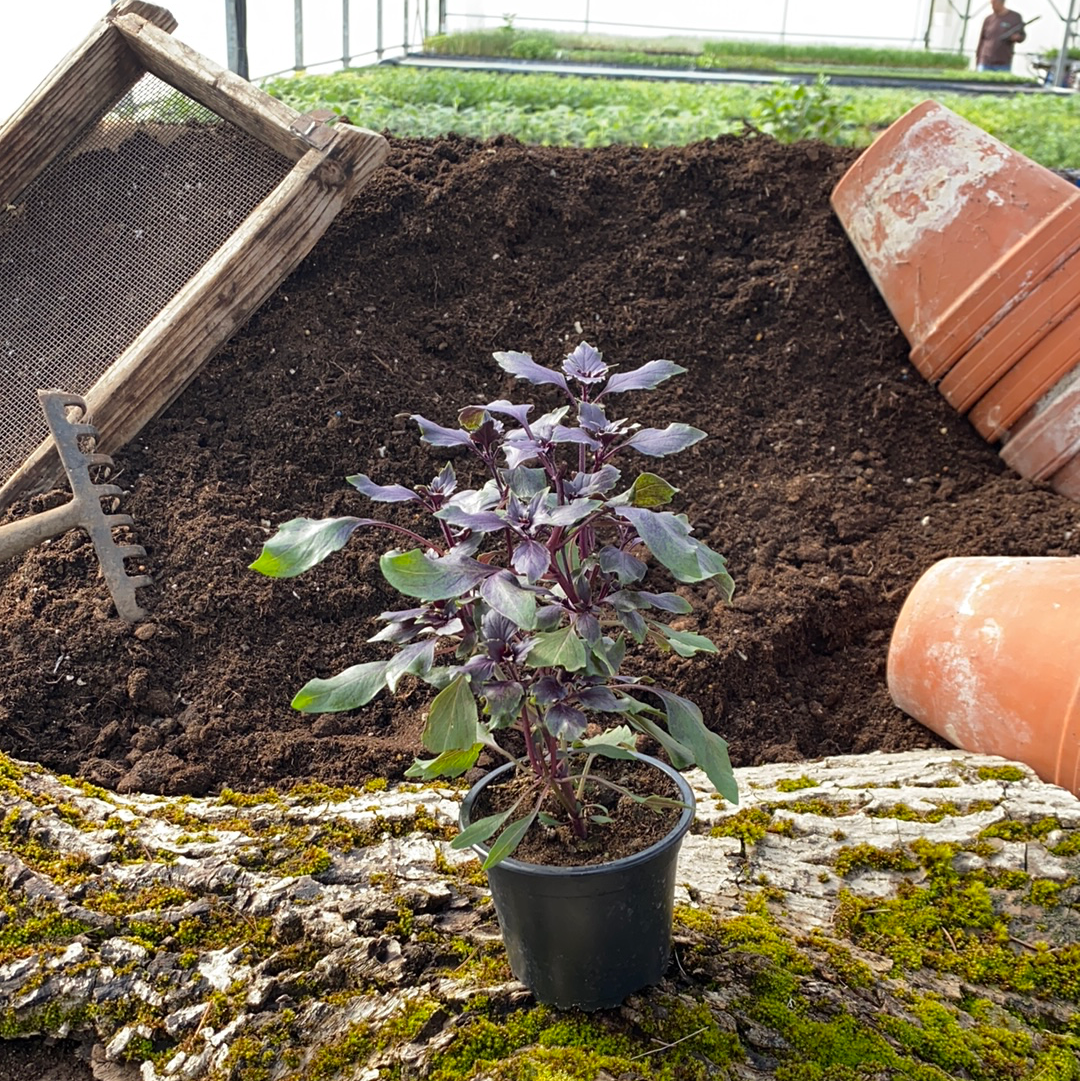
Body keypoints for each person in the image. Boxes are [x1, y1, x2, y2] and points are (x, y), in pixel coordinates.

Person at [976, 0, 1026, 72]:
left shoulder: (1015, 17)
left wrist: (1017, 37)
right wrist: (978, 59)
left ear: (1001, 2)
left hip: (1003, 62)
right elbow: (981, 40)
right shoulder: (988, 19)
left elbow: (1022, 36)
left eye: (994, 3)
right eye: (991, 4)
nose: (992, 6)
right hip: (985, 61)